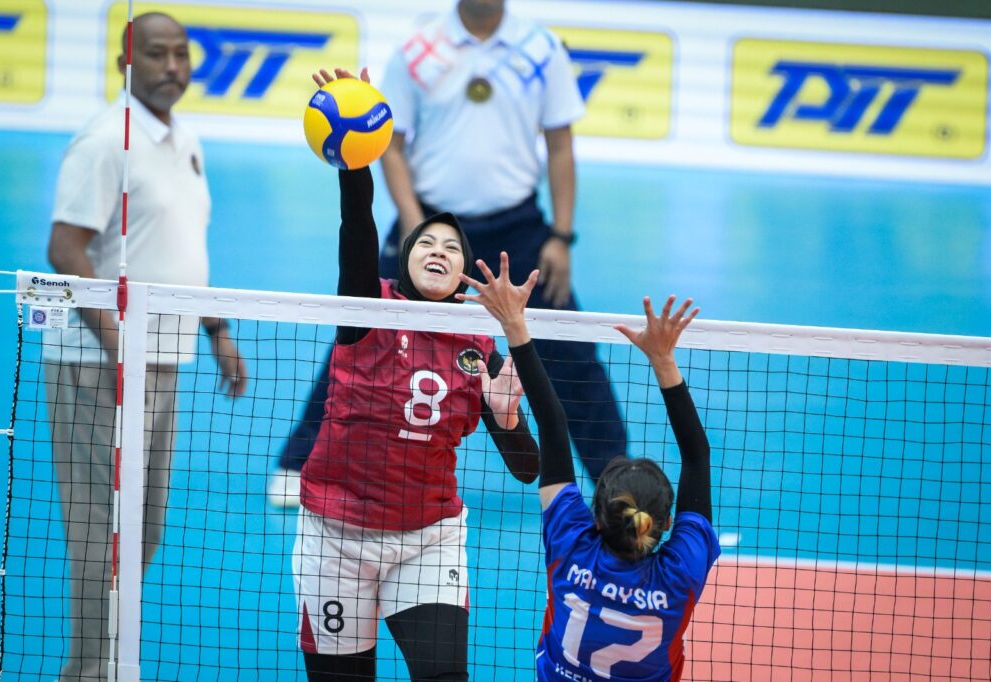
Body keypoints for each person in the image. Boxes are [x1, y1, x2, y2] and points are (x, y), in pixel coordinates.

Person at [267, 0, 627, 506]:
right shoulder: (419, 48)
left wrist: (561, 236)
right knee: (362, 330)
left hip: (519, 227)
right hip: (429, 223)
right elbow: (392, 146)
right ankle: (299, 460)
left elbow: (560, 145)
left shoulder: (542, 49)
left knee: (571, 350)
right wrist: (415, 224)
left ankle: (617, 478)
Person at [293, 68, 538, 682]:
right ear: (404, 260)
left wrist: (508, 418)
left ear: (463, 275)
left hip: (428, 537)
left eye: (452, 248)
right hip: (334, 535)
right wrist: (356, 156)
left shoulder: (479, 348)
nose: (439, 251)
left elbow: (528, 468)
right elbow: (357, 225)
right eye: (427, 242)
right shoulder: (367, 309)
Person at [44, 13, 247, 680]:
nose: (172, 66)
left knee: (144, 528)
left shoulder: (184, 140)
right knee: (100, 531)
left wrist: (216, 331)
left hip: (163, 361)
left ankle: (103, 661)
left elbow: (182, 253)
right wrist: (118, 344)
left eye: (181, 54)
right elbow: (65, 249)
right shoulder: (106, 141)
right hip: (95, 367)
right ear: (125, 64)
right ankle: (89, 672)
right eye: (156, 54)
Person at [458, 253, 720, 681]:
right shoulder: (679, 575)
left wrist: (513, 324)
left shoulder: (572, 546)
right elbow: (698, 456)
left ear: (597, 519)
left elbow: (552, 424)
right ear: (668, 523)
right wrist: (664, 360)